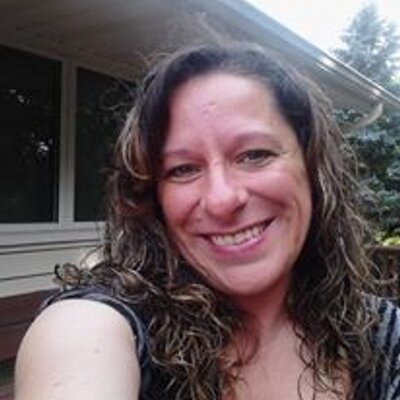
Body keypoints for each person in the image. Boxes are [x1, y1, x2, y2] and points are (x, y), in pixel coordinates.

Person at [15, 42, 400, 400]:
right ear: (153, 199)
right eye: (182, 169)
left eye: (255, 154)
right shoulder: (100, 325)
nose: (222, 199)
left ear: (312, 168)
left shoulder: (382, 335)